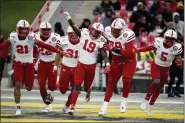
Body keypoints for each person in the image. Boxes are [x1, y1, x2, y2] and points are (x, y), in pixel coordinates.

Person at [0, 20, 69, 115]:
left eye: (26, 29)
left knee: (40, 87)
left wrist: (60, 53)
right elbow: (4, 45)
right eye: (22, 29)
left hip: (35, 63)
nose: (24, 31)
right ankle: (19, 107)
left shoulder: (33, 37)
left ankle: (51, 84)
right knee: (27, 84)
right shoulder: (13, 36)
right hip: (24, 62)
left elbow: (45, 45)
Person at [60, 8, 110, 115]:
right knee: (76, 85)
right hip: (81, 65)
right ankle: (72, 107)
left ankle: (88, 90)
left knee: (86, 88)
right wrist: (68, 16)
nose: (93, 33)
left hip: (91, 67)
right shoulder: (84, 32)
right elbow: (74, 26)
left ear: (100, 33)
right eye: (92, 30)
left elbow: (103, 53)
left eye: (96, 32)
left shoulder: (101, 40)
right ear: (90, 28)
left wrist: (108, 63)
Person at [136, 29, 182, 116]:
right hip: (156, 65)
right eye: (168, 38)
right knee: (155, 82)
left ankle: (150, 105)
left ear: (175, 40)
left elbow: (178, 56)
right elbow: (150, 47)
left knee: (159, 88)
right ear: (164, 37)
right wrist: (139, 50)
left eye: (172, 39)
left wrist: (179, 60)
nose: (169, 41)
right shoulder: (159, 41)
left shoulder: (176, 47)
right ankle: (145, 100)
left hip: (166, 68)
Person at [98, 18, 137, 116]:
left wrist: (114, 48)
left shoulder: (127, 34)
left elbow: (129, 52)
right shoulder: (107, 31)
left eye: (117, 30)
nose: (114, 31)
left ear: (123, 29)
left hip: (129, 61)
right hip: (116, 60)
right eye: (113, 29)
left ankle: (124, 101)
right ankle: (104, 106)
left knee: (126, 80)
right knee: (111, 83)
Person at [35, 21, 65, 112]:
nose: (46, 31)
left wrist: (56, 64)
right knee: (41, 84)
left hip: (52, 62)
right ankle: (47, 105)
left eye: (48, 30)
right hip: (42, 62)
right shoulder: (35, 36)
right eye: (44, 30)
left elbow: (60, 51)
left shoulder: (55, 37)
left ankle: (57, 80)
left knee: (52, 87)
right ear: (40, 30)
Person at [53, 26, 80, 113]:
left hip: (77, 68)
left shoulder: (83, 41)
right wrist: (55, 65)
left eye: (74, 33)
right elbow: (58, 53)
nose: (73, 35)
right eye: (70, 34)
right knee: (62, 90)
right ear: (67, 34)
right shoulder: (63, 40)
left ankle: (67, 106)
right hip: (66, 67)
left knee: (75, 89)